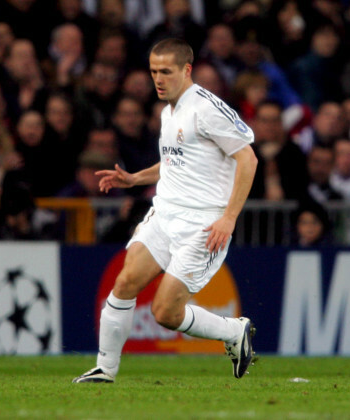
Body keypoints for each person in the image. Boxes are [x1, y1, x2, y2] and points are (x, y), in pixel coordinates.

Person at [73, 38, 258, 383]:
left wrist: (229, 218)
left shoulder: (206, 108)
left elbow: (248, 158)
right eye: (154, 71)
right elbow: (175, 163)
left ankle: (234, 330)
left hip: (203, 224)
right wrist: (134, 179)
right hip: (165, 214)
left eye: (166, 72)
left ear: (187, 70)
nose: (158, 79)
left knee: (165, 312)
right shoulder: (167, 111)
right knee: (125, 282)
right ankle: (105, 369)